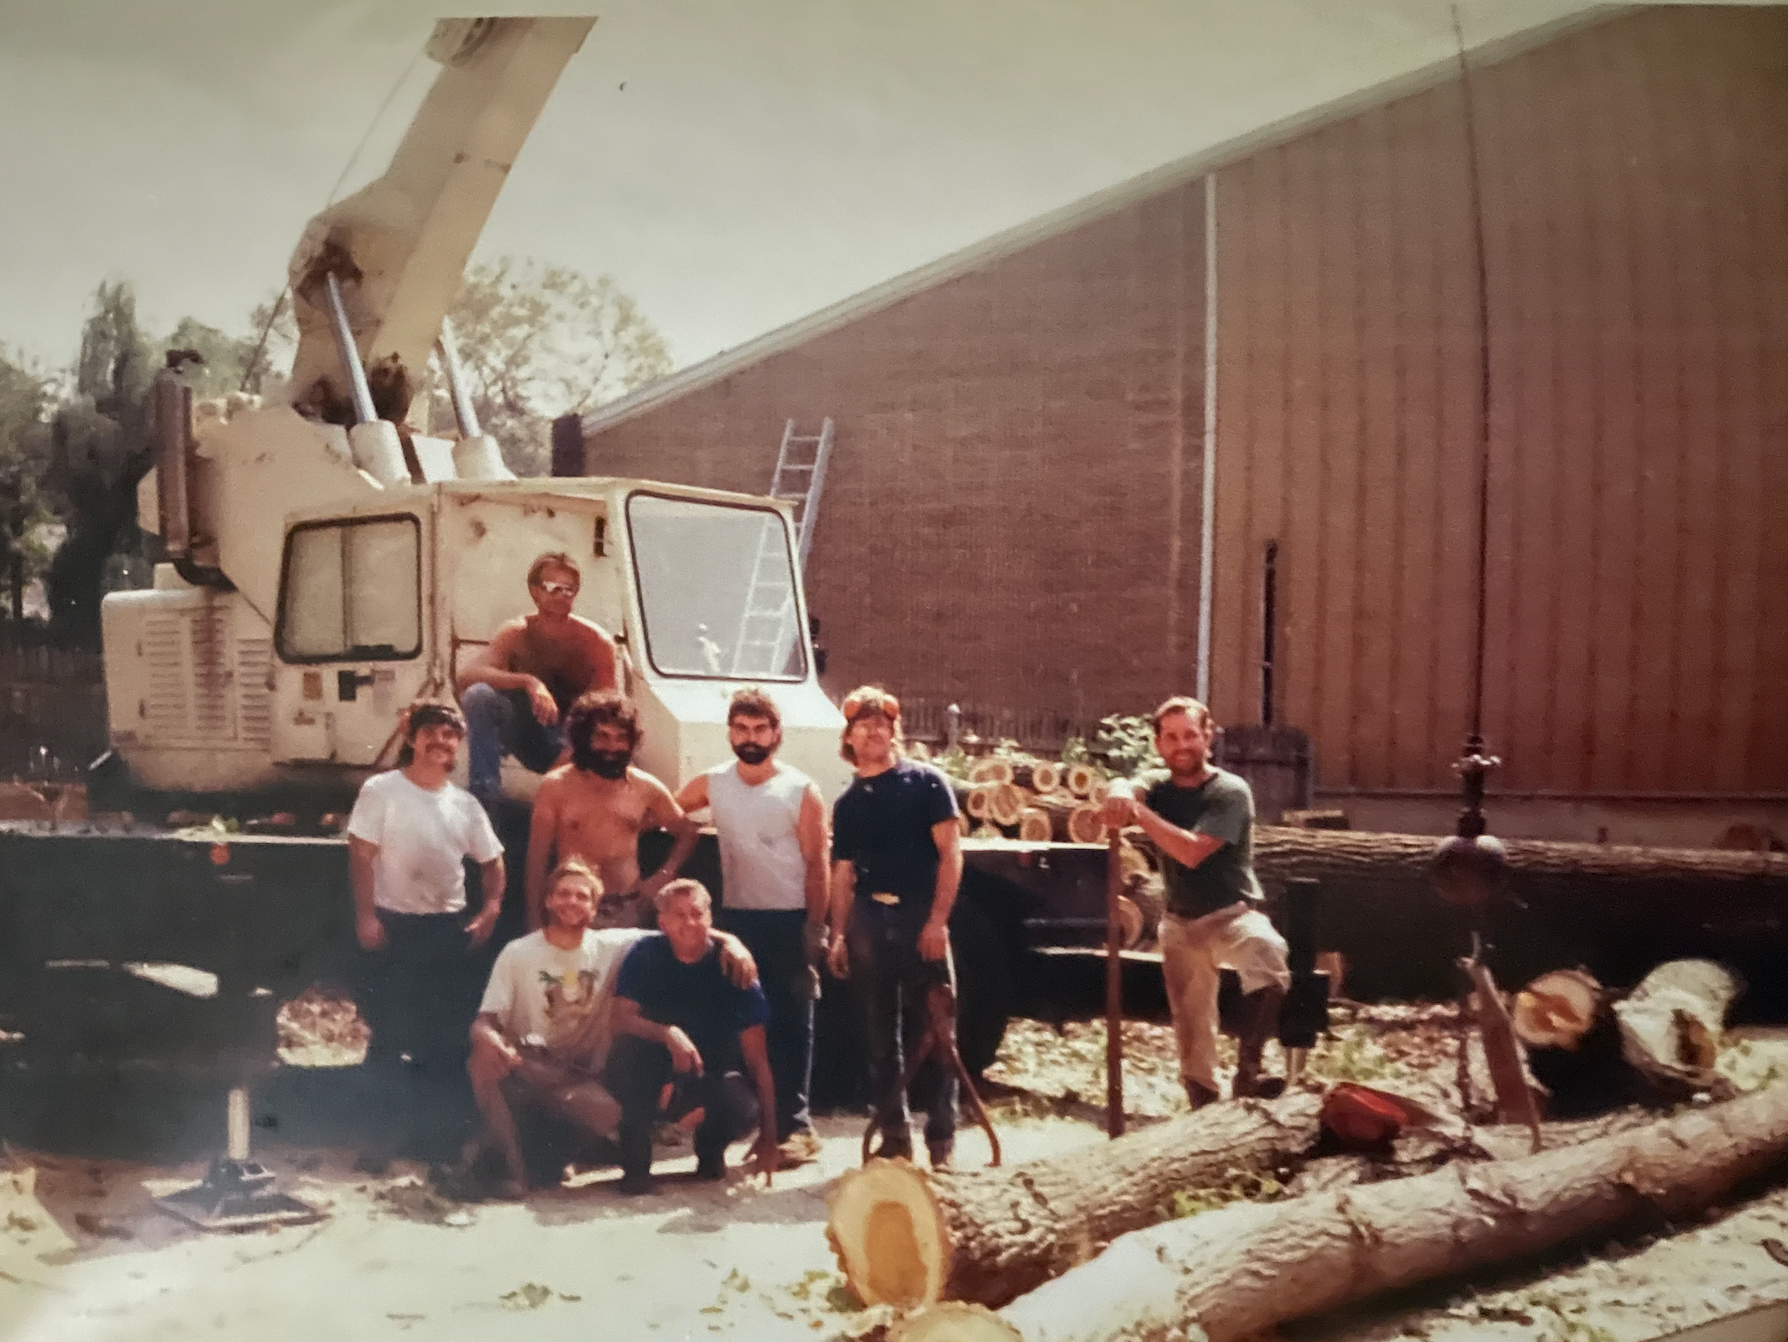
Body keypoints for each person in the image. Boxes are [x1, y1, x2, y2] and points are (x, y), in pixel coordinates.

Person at [467, 857, 760, 1197]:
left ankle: (550, 1156)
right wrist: (488, 1038)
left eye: (582, 896)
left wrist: (732, 942)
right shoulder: (518, 952)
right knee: (482, 1059)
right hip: (527, 1063)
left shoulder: (612, 945)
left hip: (576, 1073)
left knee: (608, 1114)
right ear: (548, 900)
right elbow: (483, 1021)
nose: (572, 902)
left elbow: (684, 927)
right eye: (563, 894)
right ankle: (513, 1169)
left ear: (595, 907)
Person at [1103, 696, 1291, 1109]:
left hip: (1230, 913)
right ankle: (1202, 1104)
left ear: (1208, 737)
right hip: (1180, 922)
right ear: (1158, 744)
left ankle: (1250, 1070)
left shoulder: (1229, 791)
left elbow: (1191, 851)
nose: (1181, 746)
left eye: (1190, 735)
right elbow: (1128, 785)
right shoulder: (1158, 785)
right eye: (1171, 738)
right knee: (1191, 1027)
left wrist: (1138, 812)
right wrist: (1119, 790)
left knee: (1266, 950)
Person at [674, 688, 830, 1167]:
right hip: (737, 920)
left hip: (789, 917)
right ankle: (743, 1124)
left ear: (776, 734)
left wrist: (816, 928)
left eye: (760, 729)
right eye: (741, 729)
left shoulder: (800, 790)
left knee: (791, 1024)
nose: (751, 738)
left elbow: (817, 864)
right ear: (729, 733)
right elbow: (667, 810)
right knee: (740, 1025)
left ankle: (796, 1130)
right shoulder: (714, 782)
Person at [347, 700, 506, 1164]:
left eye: (450, 735)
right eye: (431, 733)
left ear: (459, 744)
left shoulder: (465, 804)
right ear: (412, 739)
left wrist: (491, 907)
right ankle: (378, 1142)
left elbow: (493, 862)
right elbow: (361, 856)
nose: (441, 742)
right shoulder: (382, 790)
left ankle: (436, 1142)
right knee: (389, 1036)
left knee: (444, 1040)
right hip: (395, 927)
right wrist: (366, 916)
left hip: (446, 931)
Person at [825, 686, 963, 1168]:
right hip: (869, 920)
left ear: (894, 732)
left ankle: (942, 1142)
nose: (874, 731)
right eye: (863, 725)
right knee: (880, 1039)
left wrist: (937, 922)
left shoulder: (926, 784)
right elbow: (842, 874)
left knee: (940, 1033)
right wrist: (838, 934)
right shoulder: (848, 804)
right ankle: (895, 1140)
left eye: (882, 724)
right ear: (849, 738)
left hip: (920, 917)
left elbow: (951, 854)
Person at [606, 879, 781, 1195]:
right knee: (626, 1053)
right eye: (679, 915)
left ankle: (710, 1150)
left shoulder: (735, 968)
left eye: (697, 914)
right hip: (656, 1064)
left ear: (710, 919)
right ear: (663, 922)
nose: (689, 923)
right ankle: (636, 1164)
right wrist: (667, 1033)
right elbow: (620, 1017)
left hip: (710, 1072)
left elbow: (759, 1061)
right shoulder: (645, 954)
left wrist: (770, 1137)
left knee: (740, 1106)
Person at [525, 691, 699, 931]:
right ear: (584, 738)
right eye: (602, 736)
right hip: (572, 908)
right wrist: (534, 919)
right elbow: (537, 859)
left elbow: (687, 832)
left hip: (629, 908)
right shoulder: (555, 787)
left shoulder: (646, 787)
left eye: (621, 738)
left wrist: (664, 874)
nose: (612, 746)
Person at [458, 551, 619, 804]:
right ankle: (484, 795)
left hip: (573, 741)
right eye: (553, 587)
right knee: (479, 695)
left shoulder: (595, 643)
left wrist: (572, 753)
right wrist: (529, 682)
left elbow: (609, 710)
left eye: (569, 589)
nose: (562, 595)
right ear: (535, 591)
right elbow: (468, 676)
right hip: (524, 731)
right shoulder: (516, 632)